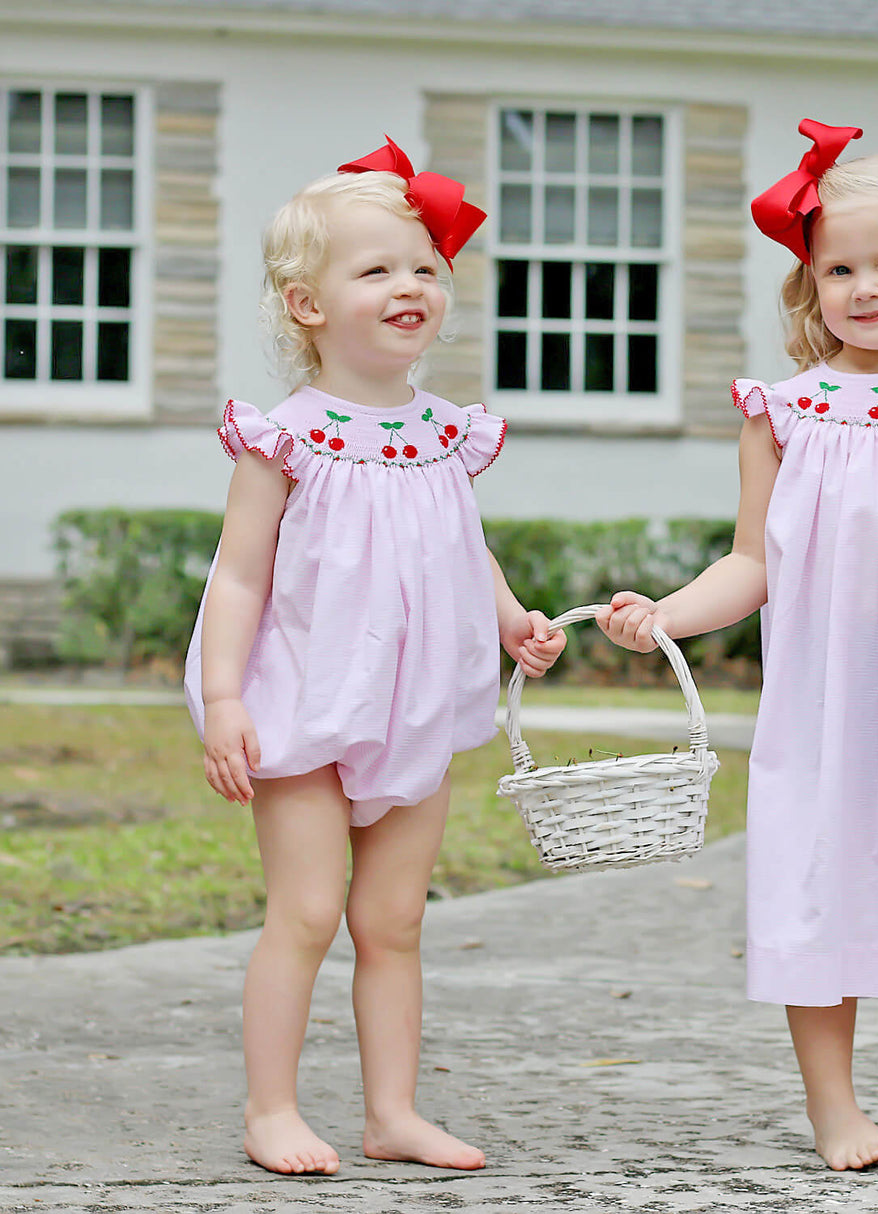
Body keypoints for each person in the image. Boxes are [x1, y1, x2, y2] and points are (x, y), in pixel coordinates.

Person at [597, 119, 878, 1179]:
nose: (863, 285)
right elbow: (752, 560)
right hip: (825, 703)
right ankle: (834, 1105)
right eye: (837, 266)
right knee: (818, 877)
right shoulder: (787, 412)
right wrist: (666, 611)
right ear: (809, 284)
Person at [183, 138, 565, 1177]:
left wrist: (509, 617)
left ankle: (391, 1109)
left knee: (392, 918)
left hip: (413, 703)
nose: (410, 286)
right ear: (307, 305)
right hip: (302, 700)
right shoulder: (285, 438)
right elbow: (240, 577)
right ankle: (271, 1107)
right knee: (306, 911)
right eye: (377, 269)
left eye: (425, 268)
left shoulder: (446, 433)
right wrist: (223, 694)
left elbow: (456, 543)